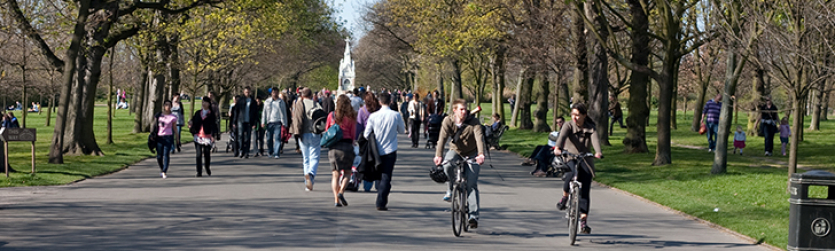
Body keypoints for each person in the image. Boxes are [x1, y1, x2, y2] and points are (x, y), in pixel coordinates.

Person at [434, 99, 486, 229]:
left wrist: (481, 154)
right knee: (447, 165)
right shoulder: (448, 121)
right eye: (461, 109)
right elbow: (442, 139)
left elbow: (479, 138)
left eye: (465, 109)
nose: (464, 111)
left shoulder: (473, 122)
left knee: (471, 184)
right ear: (455, 110)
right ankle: (451, 188)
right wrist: (438, 155)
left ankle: (473, 216)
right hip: (456, 150)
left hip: (473, 152)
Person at [553, 103, 603, 234]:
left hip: (585, 158)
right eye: (573, 114)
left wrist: (598, 152)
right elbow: (562, 137)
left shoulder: (591, 128)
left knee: (585, 189)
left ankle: (583, 221)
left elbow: (595, 140)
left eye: (578, 115)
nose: (574, 117)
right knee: (570, 174)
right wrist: (558, 148)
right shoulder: (568, 125)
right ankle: (565, 197)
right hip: (570, 157)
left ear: (584, 115)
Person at [363, 94, 405, 211]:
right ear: (391, 101)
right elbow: (402, 130)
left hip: (376, 149)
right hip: (390, 149)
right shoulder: (395, 115)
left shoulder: (373, 116)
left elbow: (366, 134)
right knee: (386, 175)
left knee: (378, 174)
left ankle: (380, 193)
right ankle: (381, 201)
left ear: (380, 102)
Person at [327, 95, 358, 207]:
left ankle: (336, 199)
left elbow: (327, 130)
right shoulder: (351, 117)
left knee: (335, 174)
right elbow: (354, 134)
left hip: (334, 147)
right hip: (347, 146)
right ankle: (341, 192)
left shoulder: (332, 115)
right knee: (347, 172)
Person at [291, 88, 323, 191]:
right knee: (315, 156)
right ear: (311, 95)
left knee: (306, 159)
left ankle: (307, 183)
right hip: (315, 132)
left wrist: (297, 133)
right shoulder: (316, 104)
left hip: (304, 133)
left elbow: (298, 119)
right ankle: (311, 175)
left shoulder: (300, 103)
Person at [358, 93, 381, 192]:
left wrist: (357, 140)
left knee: (367, 162)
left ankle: (367, 185)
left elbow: (359, 127)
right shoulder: (379, 110)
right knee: (379, 161)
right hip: (379, 138)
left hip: (367, 139)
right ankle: (379, 184)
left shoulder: (362, 111)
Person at [189, 97, 218, 177]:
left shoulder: (211, 114)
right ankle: (199, 171)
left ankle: (207, 167)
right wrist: (191, 125)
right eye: (203, 102)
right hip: (198, 136)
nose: (204, 103)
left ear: (209, 104)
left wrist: (213, 135)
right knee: (198, 155)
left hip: (207, 136)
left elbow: (213, 126)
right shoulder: (198, 113)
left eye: (205, 102)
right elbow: (194, 121)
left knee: (207, 154)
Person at [231, 87, 259, 158]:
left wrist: (255, 123)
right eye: (246, 92)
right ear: (244, 92)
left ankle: (246, 152)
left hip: (249, 121)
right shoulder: (240, 101)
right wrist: (234, 121)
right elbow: (236, 111)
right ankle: (241, 150)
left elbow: (256, 113)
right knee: (240, 136)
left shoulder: (253, 101)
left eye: (248, 92)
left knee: (248, 137)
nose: (247, 93)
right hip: (241, 120)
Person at [152, 100, 177, 179]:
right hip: (159, 137)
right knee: (159, 156)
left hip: (168, 137)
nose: (168, 107)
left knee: (166, 154)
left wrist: (177, 138)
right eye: (166, 105)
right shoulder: (159, 115)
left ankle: (164, 171)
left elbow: (175, 128)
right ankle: (162, 168)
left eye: (169, 105)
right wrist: (152, 134)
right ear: (163, 106)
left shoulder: (173, 117)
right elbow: (153, 125)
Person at [262, 88, 288, 159]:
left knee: (277, 138)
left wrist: (285, 123)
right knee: (269, 138)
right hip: (269, 122)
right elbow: (264, 112)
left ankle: (276, 153)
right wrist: (263, 122)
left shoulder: (281, 102)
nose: (275, 94)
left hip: (278, 122)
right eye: (273, 92)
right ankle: (270, 151)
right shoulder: (267, 101)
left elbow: (284, 113)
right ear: (271, 93)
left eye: (276, 92)